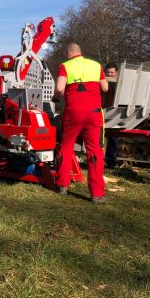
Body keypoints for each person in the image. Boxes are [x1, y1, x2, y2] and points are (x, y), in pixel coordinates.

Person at [53, 43, 108, 203]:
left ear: (69, 54)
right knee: (95, 151)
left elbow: (60, 87)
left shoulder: (65, 66)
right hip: (94, 114)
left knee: (66, 146)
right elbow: (104, 88)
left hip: (73, 113)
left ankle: (62, 185)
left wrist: (57, 97)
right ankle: (97, 194)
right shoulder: (96, 65)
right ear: (80, 52)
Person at [103, 62, 118, 168]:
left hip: (114, 111)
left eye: (112, 72)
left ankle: (111, 161)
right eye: (108, 72)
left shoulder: (118, 84)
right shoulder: (102, 82)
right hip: (102, 111)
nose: (110, 74)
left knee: (114, 137)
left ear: (116, 73)